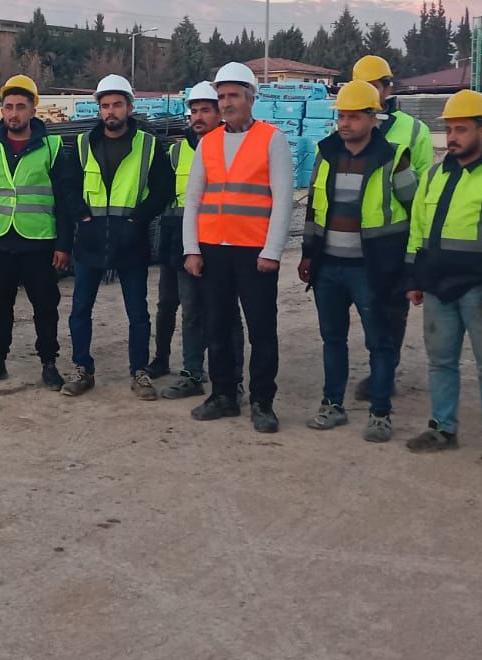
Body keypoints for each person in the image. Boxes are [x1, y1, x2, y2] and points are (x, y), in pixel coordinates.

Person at [403, 90, 482, 470]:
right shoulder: (433, 176)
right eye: (449, 129)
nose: (452, 137)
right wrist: (414, 277)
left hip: (481, 289)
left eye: (461, 129)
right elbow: (418, 229)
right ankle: (443, 428)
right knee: (440, 361)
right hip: (437, 287)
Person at [299, 80, 417, 441]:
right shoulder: (325, 155)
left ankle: (380, 412)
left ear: (372, 118)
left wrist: (408, 266)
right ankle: (332, 404)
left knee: (379, 342)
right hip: (329, 267)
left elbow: (416, 213)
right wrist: (308, 255)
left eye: (353, 117)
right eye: (341, 116)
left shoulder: (393, 158)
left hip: (372, 268)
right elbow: (315, 208)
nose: (345, 123)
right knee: (332, 339)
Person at [184, 61, 294, 433]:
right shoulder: (209, 142)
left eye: (233, 95)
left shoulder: (271, 139)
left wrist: (272, 251)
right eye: (222, 96)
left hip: (254, 252)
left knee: (262, 328)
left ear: (250, 98)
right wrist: (191, 249)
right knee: (216, 325)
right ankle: (223, 394)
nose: (226, 103)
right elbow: (193, 199)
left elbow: (283, 200)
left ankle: (262, 401)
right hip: (214, 248)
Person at [62, 74, 174, 399]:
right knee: (80, 310)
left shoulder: (148, 145)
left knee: (137, 313)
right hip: (90, 241)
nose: (110, 111)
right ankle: (83, 369)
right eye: (105, 105)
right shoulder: (83, 144)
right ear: (99, 109)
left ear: (129, 107)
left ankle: (139, 372)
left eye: (117, 104)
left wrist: (139, 218)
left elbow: (163, 189)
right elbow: (67, 186)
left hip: (131, 243)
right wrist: (81, 215)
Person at [0, 74, 81, 389]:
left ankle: (48, 362)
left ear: (33, 110)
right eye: (8, 107)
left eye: (20, 106)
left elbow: (64, 200)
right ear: (2, 110)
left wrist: (63, 245)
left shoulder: (52, 147)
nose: (14, 113)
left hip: (38, 242)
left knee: (45, 305)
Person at [349, 54, 432, 403]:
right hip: (353, 236)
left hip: (393, 236)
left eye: (374, 87)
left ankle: (384, 371)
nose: (369, 94)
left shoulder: (413, 130)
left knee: (391, 309)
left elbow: (425, 189)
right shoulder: (345, 125)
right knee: (366, 306)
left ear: (387, 88)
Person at [151, 81, 239, 400]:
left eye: (206, 110)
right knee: (174, 306)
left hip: (216, 238)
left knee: (208, 309)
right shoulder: (177, 151)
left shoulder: (229, 150)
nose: (198, 117)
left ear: (219, 113)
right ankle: (178, 366)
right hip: (177, 238)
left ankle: (213, 373)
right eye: (194, 111)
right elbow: (166, 196)